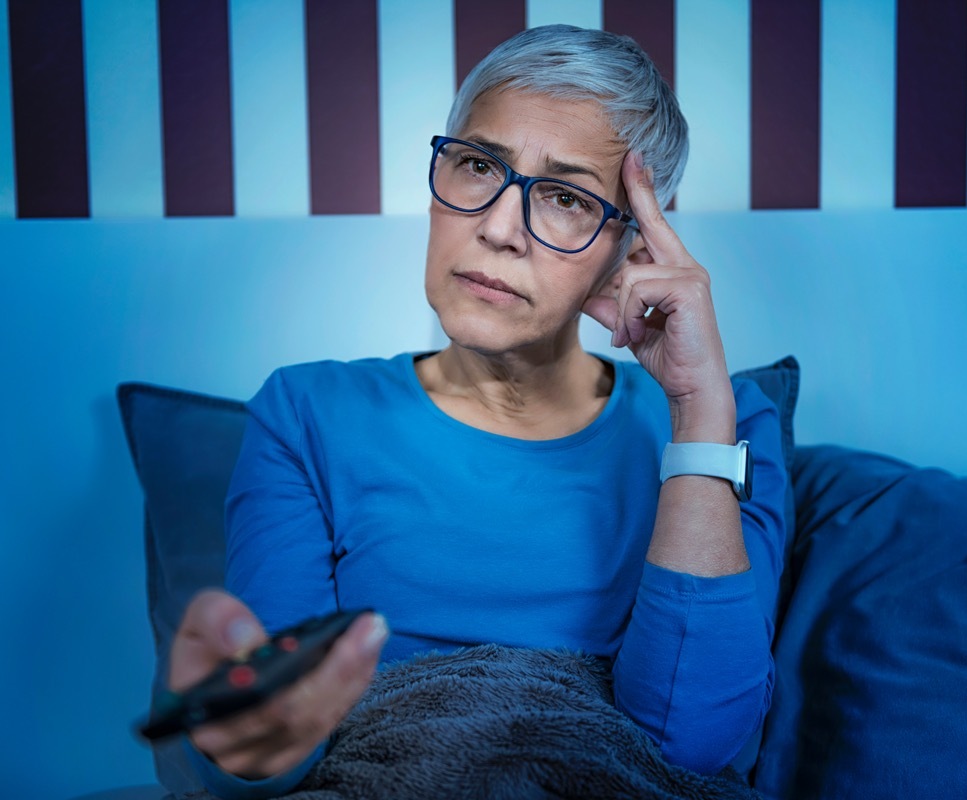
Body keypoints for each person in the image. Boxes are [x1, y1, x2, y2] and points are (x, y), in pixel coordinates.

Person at [170, 24, 788, 799]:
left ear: (633, 248)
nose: (497, 227)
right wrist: (239, 721)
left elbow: (691, 747)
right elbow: (277, 760)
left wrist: (698, 410)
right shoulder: (305, 413)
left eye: (564, 197)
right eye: (476, 166)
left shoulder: (729, 426)